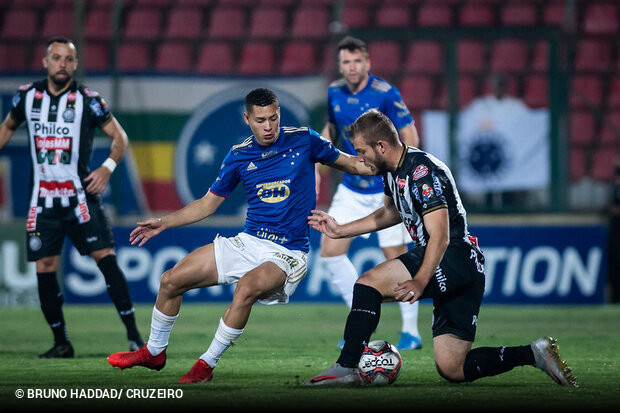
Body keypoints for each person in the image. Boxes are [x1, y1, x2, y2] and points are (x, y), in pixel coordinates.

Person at [106, 88, 373, 383]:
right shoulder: (239, 155)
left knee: (246, 288)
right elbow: (208, 203)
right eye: (260, 120)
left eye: (273, 118)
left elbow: (350, 162)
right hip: (248, 241)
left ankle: (205, 365)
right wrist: (164, 222)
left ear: (279, 114)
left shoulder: (304, 139)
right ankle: (154, 352)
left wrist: (392, 163)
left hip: (288, 252)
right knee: (170, 280)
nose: (268, 126)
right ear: (247, 119)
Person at [302, 110, 578, 388]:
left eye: (362, 151)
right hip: (464, 266)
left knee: (367, 286)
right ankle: (534, 353)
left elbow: (441, 234)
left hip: (452, 255)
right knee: (453, 367)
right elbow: (389, 213)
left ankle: (347, 366)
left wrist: (421, 280)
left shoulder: (422, 172)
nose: (360, 159)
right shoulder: (392, 171)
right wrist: (341, 229)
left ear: (381, 146)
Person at [0, 37, 143, 358]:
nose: (62, 64)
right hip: (43, 202)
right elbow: (8, 127)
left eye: (68, 59)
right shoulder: (26, 97)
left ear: (75, 64)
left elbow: (119, 136)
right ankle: (61, 343)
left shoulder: (89, 101)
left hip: (81, 197)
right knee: (45, 267)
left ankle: (135, 337)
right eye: (56, 58)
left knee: (105, 259)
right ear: (45, 61)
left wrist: (107, 168)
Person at [319, 36, 423, 350]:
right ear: (340, 66)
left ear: (367, 62)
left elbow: (410, 136)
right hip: (351, 188)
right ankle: (360, 321)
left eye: (357, 61)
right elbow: (332, 130)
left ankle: (411, 333)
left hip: (385, 189)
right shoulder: (334, 92)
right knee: (330, 250)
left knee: (396, 259)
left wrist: (405, 178)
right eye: (346, 62)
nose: (352, 67)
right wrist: (317, 163)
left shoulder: (386, 93)